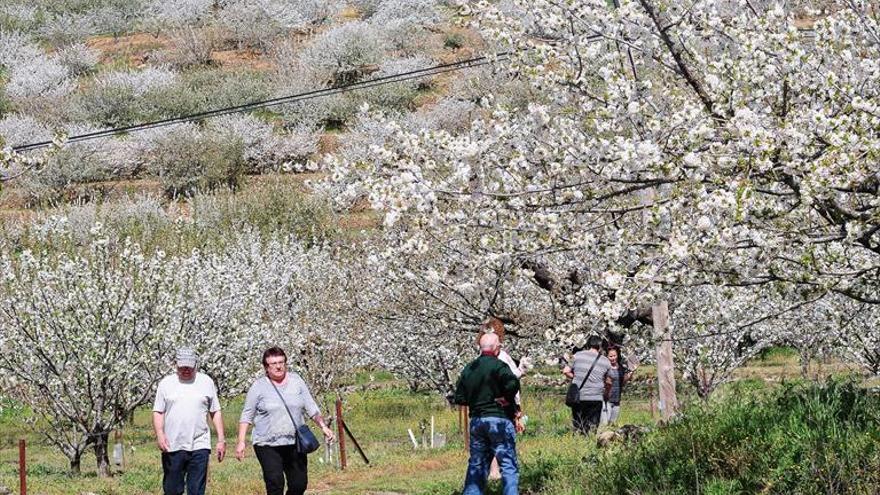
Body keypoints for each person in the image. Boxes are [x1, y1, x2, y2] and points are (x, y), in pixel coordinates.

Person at [235, 347, 335, 495]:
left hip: (295, 442)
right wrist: (241, 441)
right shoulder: (259, 387)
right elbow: (247, 415)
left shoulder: (296, 381)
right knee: (275, 483)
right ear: (266, 367)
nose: (278, 366)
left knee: (299, 484)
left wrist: (323, 427)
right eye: (273, 363)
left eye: (281, 362)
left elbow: (310, 406)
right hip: (267, 443)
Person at [454, 332, 521, 495]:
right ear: (496, 348)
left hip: (477, 421)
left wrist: (476, 401)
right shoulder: (499, 366)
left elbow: (459, 397)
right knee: (508, 464)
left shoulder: (469, 368)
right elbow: (513, 383)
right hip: (498, 420)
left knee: (476, 464)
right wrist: (505, 397)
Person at [152, 348, 225, 495]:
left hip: (200, 443)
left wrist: (221, 439)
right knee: (172, 489)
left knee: (197, 489)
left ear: (196, 365)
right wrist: (160, 433)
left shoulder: (206, 382)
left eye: (189, 367)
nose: (186, 370)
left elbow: (215, 411)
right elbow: (158, 411)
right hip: (172, 444)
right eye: (182, 367)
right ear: (175, 365)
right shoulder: (166, 384)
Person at [477, 318, 528, 480]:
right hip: (504, 404)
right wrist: (522, 369)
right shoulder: (504, 357)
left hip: (485, 405)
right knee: (505, 438)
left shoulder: (480, 358)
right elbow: (513, 379)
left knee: (491, 439)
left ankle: (493, 470)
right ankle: (506, 470)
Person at [562, 335, 612, 434]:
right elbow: (609, 381)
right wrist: (607, 393)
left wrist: (576, 378)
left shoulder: (576, 356)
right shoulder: (605, 361)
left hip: (579, 397)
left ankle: (579, 443)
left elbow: (565, 371)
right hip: (596, 397)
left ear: (588, 344)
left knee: (579, 425)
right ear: (600, 346)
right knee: (593, 427)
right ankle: (590, 444)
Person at [600, 346, 637, 425]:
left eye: (614, 356)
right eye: (611, 356)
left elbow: (623, 382)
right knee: (605, 423)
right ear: (607, 357)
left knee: (612, 424)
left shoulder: (621, 368)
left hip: (617, 400)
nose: (613, 358)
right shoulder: (605, 367)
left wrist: (631, 373)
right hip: (606, 400)